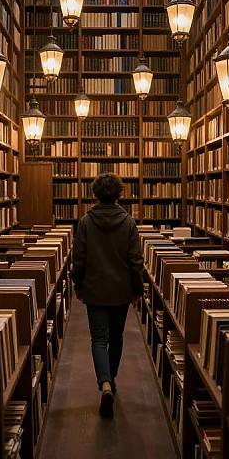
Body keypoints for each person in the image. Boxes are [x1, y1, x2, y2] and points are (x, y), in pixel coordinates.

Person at [71, 172, 144, 418]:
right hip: (121, 290)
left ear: (95, 194)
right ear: (120, 194)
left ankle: (105, 384)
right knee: (117, 336)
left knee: (99, 338)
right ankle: (110, 380)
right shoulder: (128, 223)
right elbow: (136, 261)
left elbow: (78, 260)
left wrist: (78, 286)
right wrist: (137, 289)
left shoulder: (85, 222)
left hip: (95, 289)